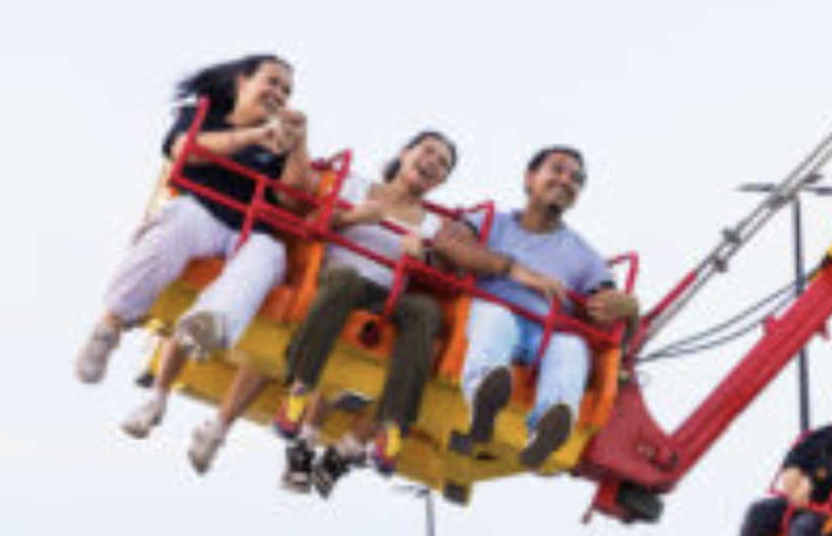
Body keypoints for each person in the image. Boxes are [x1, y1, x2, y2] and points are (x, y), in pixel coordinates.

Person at [75, 55, 314, 468]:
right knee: (176, 222)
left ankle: (208, 325)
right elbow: (185, 150)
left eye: (287, 91)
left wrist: (298, 142)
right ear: (243, 81)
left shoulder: (280, 143)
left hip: (246, 229)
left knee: (270, 254)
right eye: (272, 83)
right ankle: (110, 326)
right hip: (201, 211)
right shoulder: (205, 115)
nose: (278, 94)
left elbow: (294, 199)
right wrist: (253, 136)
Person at [432, 146, 640, 468]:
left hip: (545, 336)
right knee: (496, 317)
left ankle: (548, 427)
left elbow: (609, 315)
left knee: (572, 347)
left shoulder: (584, 255)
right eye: (557, 170)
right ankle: (484, 396)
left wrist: (628, 308)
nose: (566, 180)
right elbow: (447, 242)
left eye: (576, 179)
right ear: (530, 178)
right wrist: (512, 269)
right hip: (494, 318)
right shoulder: (492, 222)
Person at [276, 131, 459, 494]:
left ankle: (393, 425)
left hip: (386, 297)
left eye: (442, 164)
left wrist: (420, 258)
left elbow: (441, 274)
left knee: (424, 310)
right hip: (338, 280)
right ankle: (300, 386)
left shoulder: (432, 226)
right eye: (428, 152)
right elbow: (310, 225)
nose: (432, 163)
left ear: (441, 181)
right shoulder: (356, 187)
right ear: (405, 153)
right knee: (344, 278)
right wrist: (354, 217)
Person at [737, 383, 832, 536]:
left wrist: (811, 481)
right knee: (760, 511)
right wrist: (792, 478)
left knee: (804, 527)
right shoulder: (826, 434)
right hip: (805, 501)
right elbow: (798, 454)